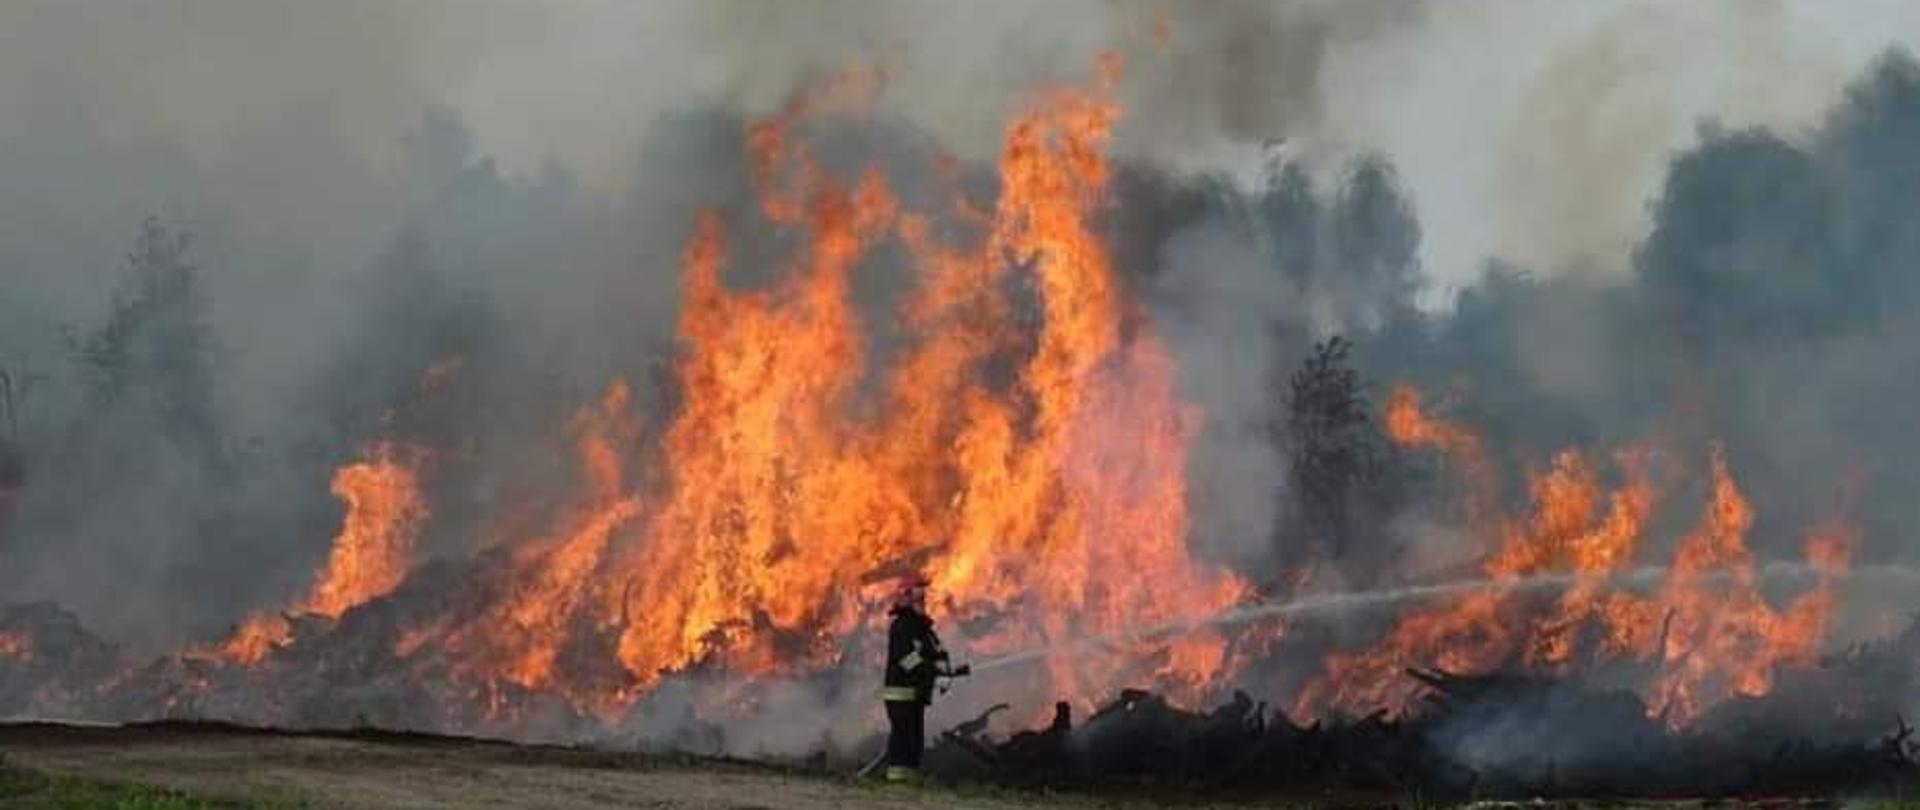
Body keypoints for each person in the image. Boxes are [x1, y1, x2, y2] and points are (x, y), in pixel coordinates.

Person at [880, 574, 954, 783]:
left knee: (915, 739)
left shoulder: (923, 628)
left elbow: (936, 652)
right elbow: (906, 659)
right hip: (900, 694)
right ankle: (897, 782)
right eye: (919, 599)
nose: (923, 602)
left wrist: (944, 672)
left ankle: (910, 780)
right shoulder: (902, 626)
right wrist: (932, 674)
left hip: (916, 694)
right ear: (906, 599)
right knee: (903, 738)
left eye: (923, 599)